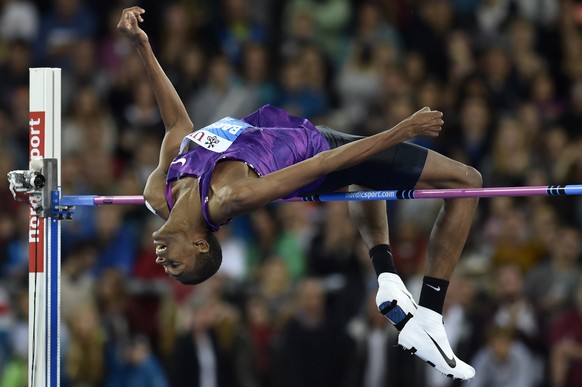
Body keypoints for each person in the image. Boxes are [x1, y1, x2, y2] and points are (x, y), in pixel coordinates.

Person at [117, 6, 482, 380]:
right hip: (320, 149)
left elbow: (177, 122)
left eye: (168, 267)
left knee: (368, 178)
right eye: (175, 265)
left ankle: (388, 278)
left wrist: (142, 45)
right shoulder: (231, 197)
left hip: (304, 140)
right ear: (199, 245)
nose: (163, 263)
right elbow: (325, 163)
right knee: (467, 181)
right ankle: (431, 315)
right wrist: (400, 130)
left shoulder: (158, 193)